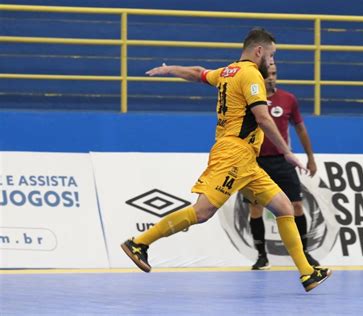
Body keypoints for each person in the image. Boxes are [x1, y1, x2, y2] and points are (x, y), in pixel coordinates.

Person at [120, 27, 331, 292]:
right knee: (202, 212)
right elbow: (263, 118)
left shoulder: (228, 71)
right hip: (233, 154)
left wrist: (171, 68)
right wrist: (287, 151)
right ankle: (139, 243)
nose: (273, 61)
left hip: (247, 160)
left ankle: (307, 273)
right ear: (259, 51)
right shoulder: (252, 75)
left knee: (285, 208)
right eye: (272, 55)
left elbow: (199, 73)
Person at [246, 63, 320, 270]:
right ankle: (261, 256)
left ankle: (304, 254)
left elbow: (301, 130)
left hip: (282, 160)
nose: (271, 77)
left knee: (296, 205)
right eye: (268, 74)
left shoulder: (288, 99)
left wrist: (310, 158)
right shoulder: (252, 99)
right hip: (256, 161)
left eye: (274, 74)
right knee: (255, 207)